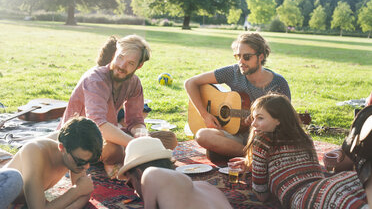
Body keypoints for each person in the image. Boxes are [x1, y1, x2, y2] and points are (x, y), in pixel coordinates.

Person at [56, 35, 177, 178]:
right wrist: (136, 144)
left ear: (139, 66)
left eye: (130, 63)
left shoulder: (134, 83)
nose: (121, 66)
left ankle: (123, 159)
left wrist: (141, 133)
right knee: (115, 151)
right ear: (114, 54)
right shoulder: (95, 79)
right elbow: (98, 125)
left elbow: (136, 120)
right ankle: (121, 159)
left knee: (170, 139)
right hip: (81, 139)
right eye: (120, 57)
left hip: (110, 134)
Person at [231, 93, 367, 208]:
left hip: (312, 193)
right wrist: (253, 164)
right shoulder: (303, 137)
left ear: (278, 120)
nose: (253, 124)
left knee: (334, 194)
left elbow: (261, 194)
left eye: (260, 118)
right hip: (322, 188)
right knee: (359, 180)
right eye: (254, 118)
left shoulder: (262, 140)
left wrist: (257, 169)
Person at [184, 32, 290, 161]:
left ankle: (245, 154)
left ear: (260, 57)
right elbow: (190, 83)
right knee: (202, 135)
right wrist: (205, 115)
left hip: (263, 137)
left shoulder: (278, 84)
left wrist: (259, 123)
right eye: (237, 56)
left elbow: (284, 123)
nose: (241, 62)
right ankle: (253, 157)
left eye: (246, 57)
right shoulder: (233, 72)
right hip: (235, 134)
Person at [4, 116, 103, 209]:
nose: (86, 167)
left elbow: (84, 193)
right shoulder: (34, 151)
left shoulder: (74, 149)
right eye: (81, 162)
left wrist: (79, 191)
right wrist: (76, 191)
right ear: (62, 148)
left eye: (90, 161)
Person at [116, 137, 232, 209]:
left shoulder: (150, 174)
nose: (135, 192)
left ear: (139, 172)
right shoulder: (207, 187)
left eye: (130, 183)